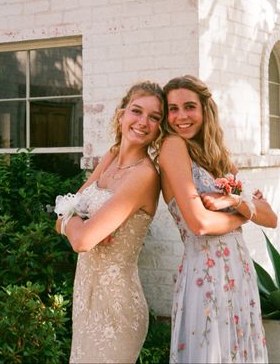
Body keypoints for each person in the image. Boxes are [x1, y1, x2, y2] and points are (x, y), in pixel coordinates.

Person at [159, 75, 278, 363]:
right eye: (172, 109)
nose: (181, 117)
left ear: (205, 110)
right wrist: (243, 212)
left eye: (189, 107)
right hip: (205, 274)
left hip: (239, 272)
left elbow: (271, 218)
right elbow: (199, 225)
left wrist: (234, 201)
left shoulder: (219, 159)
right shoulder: (173, 147)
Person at [55, 81, 165, 363]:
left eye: (154, 117)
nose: (143, 122)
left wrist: (78, 224)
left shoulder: (144, 175)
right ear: (121, 115)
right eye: (136, 111)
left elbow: (80, 240)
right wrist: (79, 222)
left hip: (118, 306)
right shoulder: (111, 157)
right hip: (86, 297)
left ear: (159, 128)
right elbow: (61, 216)